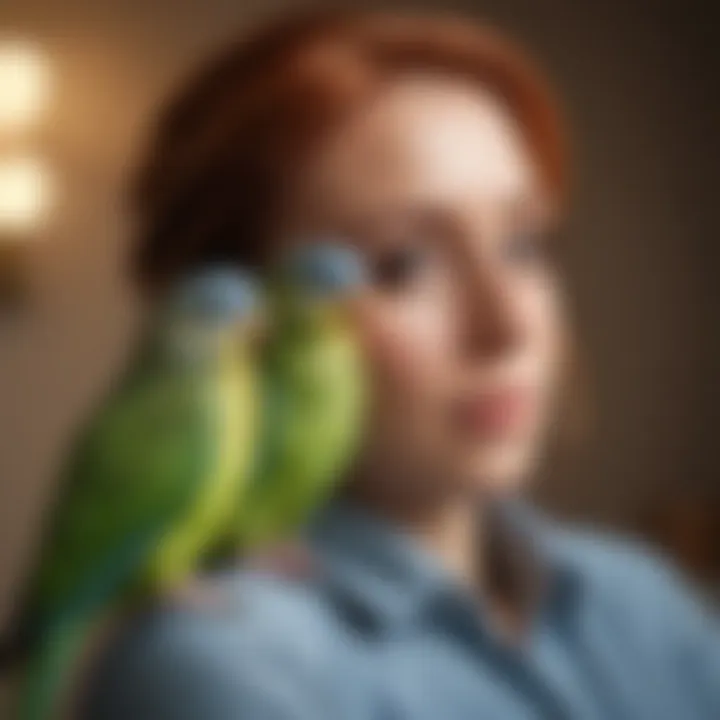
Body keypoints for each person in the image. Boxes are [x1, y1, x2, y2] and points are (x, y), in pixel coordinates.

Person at [80, 7, 719, 719]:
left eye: (523, 243)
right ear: (245, 328)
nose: (507, 326)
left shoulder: (641, 599)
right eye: (402, 265)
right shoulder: (218, 661)